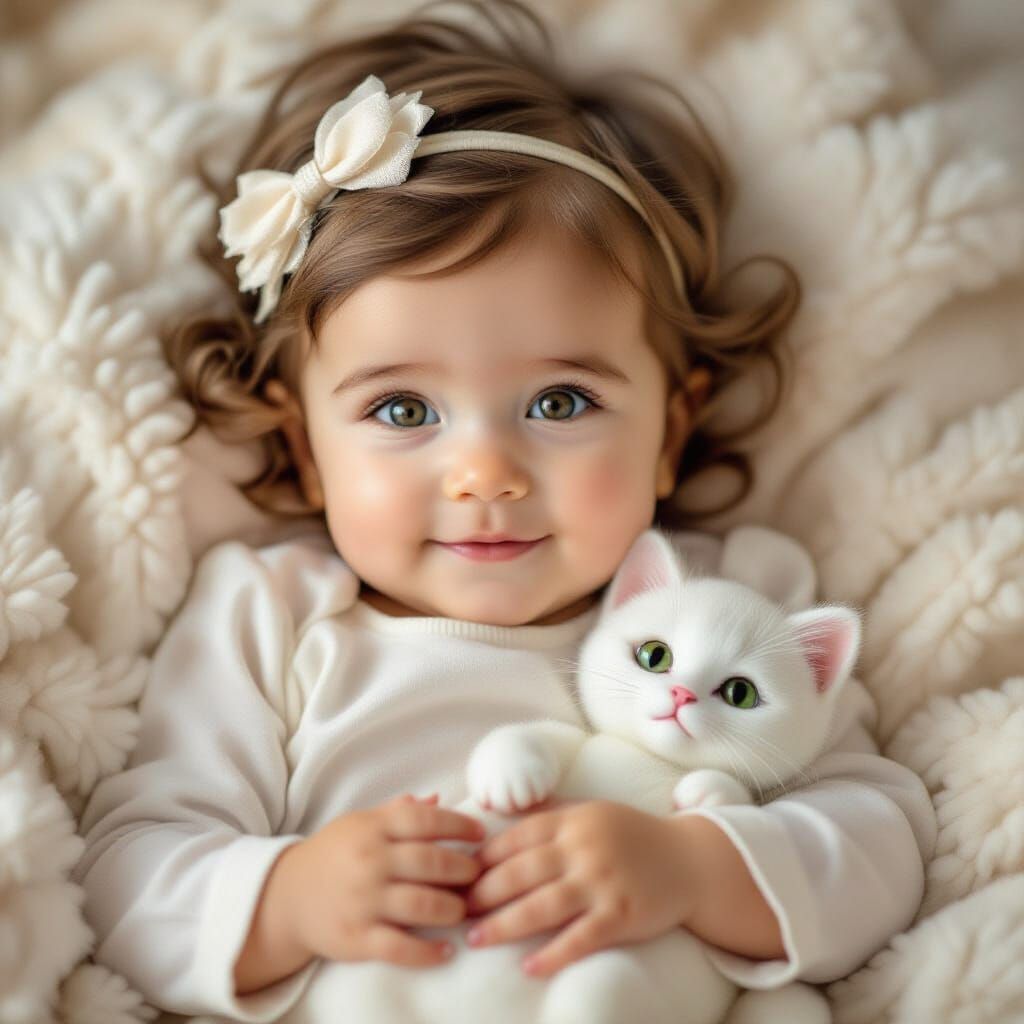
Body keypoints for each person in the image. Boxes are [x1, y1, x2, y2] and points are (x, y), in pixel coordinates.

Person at [71, 0, 937, 1020]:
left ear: (669, 429)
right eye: (403, 410)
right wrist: (291, 899)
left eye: (559, 403)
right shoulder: (271, 614)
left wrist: (697, 872)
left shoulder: (732, 599)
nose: (485, 473)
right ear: (307, 453)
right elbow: (128, 873)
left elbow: (881, 839)